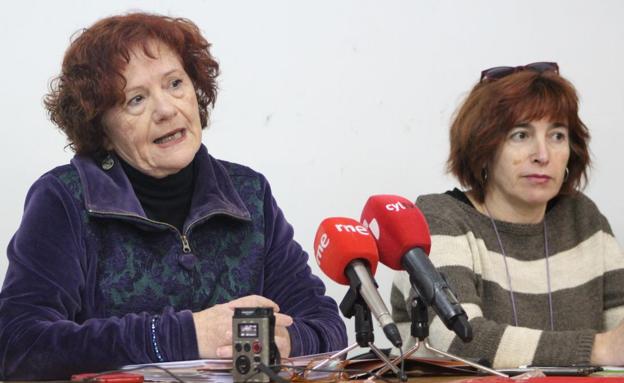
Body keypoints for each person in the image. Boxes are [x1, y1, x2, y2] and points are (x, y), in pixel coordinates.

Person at [0, 12, 347, 380]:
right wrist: (187, 335)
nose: (166, 109)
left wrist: (287, 341)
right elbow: (18, 344)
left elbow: (326, 327)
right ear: (100, 128)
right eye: (135, 99)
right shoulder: (66, 199)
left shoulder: (249, 194)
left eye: (175, 83)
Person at [391, 62, 624, 368]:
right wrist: (598, 349)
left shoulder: (584, 220)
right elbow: (457, 339)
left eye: (557, 135)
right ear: (483, 147)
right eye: (520, 135)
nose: (543, 154)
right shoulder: (438, 219)